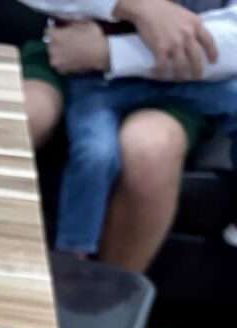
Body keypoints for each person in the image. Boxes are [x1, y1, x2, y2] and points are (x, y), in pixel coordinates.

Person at [20, 0, 236, 270]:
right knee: (27, 118)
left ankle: (106, 288)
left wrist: (110, 52)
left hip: (179, 75)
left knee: (150, 149)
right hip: (72, 52)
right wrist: (134, 6)